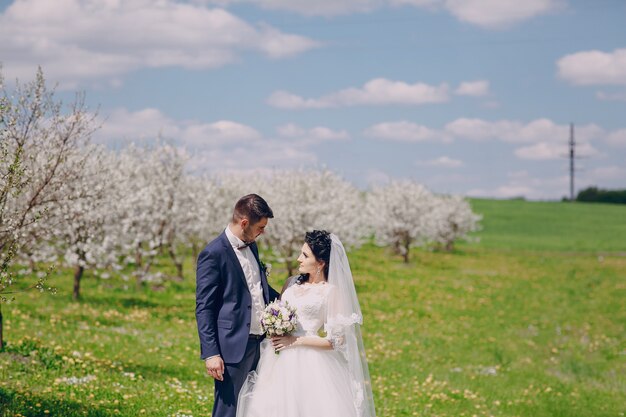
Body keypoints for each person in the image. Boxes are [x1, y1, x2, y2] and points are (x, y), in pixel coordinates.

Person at [236, 230, 377, 417]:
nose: (298, 259)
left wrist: (295, 341)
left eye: (304, 255)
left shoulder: (330, 292)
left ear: (321, 262)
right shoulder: (291, 284)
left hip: (310, 362)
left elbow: (337, 341)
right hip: (277, 360)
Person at [196, 194, 280, 417]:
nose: (263, 232)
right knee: (228, 411)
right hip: (232, 348)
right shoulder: (213, 254)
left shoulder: (252, 246)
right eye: (260, 227)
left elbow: (258, 289)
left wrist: (293, 298)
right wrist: (211, 353)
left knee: (254, 408)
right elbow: (204, 307)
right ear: (244, 223)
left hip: (260, 343)